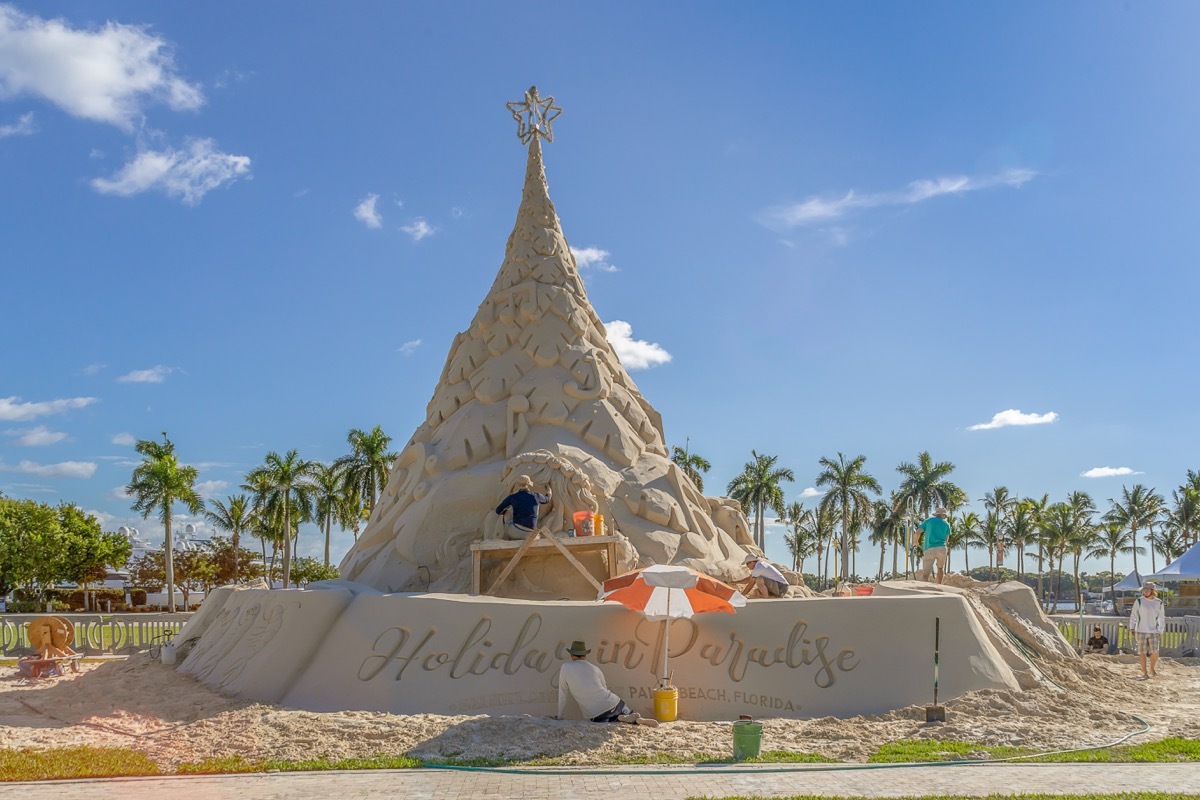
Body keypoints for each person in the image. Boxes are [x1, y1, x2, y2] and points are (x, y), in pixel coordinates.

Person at [554, 640, 658, 726]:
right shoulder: (595, 669)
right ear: (585, 655)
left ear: (571, 655)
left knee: (607, 720)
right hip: (613, 702)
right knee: (621, 711)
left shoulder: (565, 667)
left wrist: (560, 716)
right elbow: (604, 687)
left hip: (595, 714)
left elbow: (563, 693)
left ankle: (622, 718)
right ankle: (632, 718)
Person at [1129, 580, 1166, 678]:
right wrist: (1132, 627)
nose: (1145, 592)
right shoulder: (1139, 601)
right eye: (1143, 590)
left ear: (1153, 590)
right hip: (1140, 630)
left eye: (1147, 590)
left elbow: (1162, 618)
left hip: (1154, 631)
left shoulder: (1159, 603)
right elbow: (1133, 615)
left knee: (1155, 651)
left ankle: (1152, 668)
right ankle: (1144, 671)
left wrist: (1160, 630)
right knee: (1142, 652)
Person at [912, 507, 951, 583]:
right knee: (940, 568)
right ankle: (939, 586)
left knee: (926, 573)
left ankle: (925, 589)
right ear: (943, 515)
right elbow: (947, 539)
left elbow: (917, 532)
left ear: (936, 514)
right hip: (942, 548)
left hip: (929, 548)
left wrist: (915, 542)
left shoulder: (929, 521)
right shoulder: (946, 524)